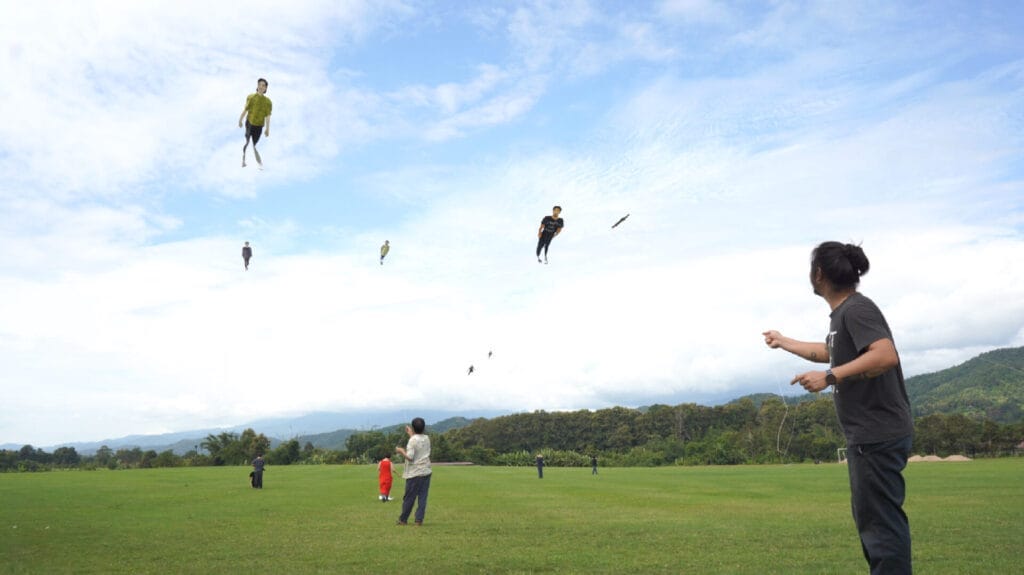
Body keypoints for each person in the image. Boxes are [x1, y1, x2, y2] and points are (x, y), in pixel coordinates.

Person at [763, 241, 913, 575]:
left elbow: (885, 355)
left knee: (881, 528)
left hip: (876, 434)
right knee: (874, 524)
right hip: (870, 435)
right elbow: (829, 351)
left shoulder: (857, 309)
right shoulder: (843, 315)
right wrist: (783, 340)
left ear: (819, 274)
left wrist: (830, 377)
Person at [395, 417, 432, 526]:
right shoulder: (426, 438)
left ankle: (403, 519)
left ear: (413, 428)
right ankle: (418, 520)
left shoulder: (412, 440)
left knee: (409, 497)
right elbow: (418, 442)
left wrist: (401, 451)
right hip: (426, 471)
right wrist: (411, 434)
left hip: (414, 473)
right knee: (422, 497)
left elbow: (410, 457)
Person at [238, 78, 272, 169]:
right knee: (248, 141)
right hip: (249, 123)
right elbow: (245, 110)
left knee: (255, 144)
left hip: (259, 126)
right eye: (260, 85)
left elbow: (268, 116)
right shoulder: (251, 97)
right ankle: (244, 160)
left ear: (266, 89)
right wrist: (240, 120)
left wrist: (267, 129)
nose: (261, 87)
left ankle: (258, 162)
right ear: (257, 86)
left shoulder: (268, 102)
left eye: (263, 86)